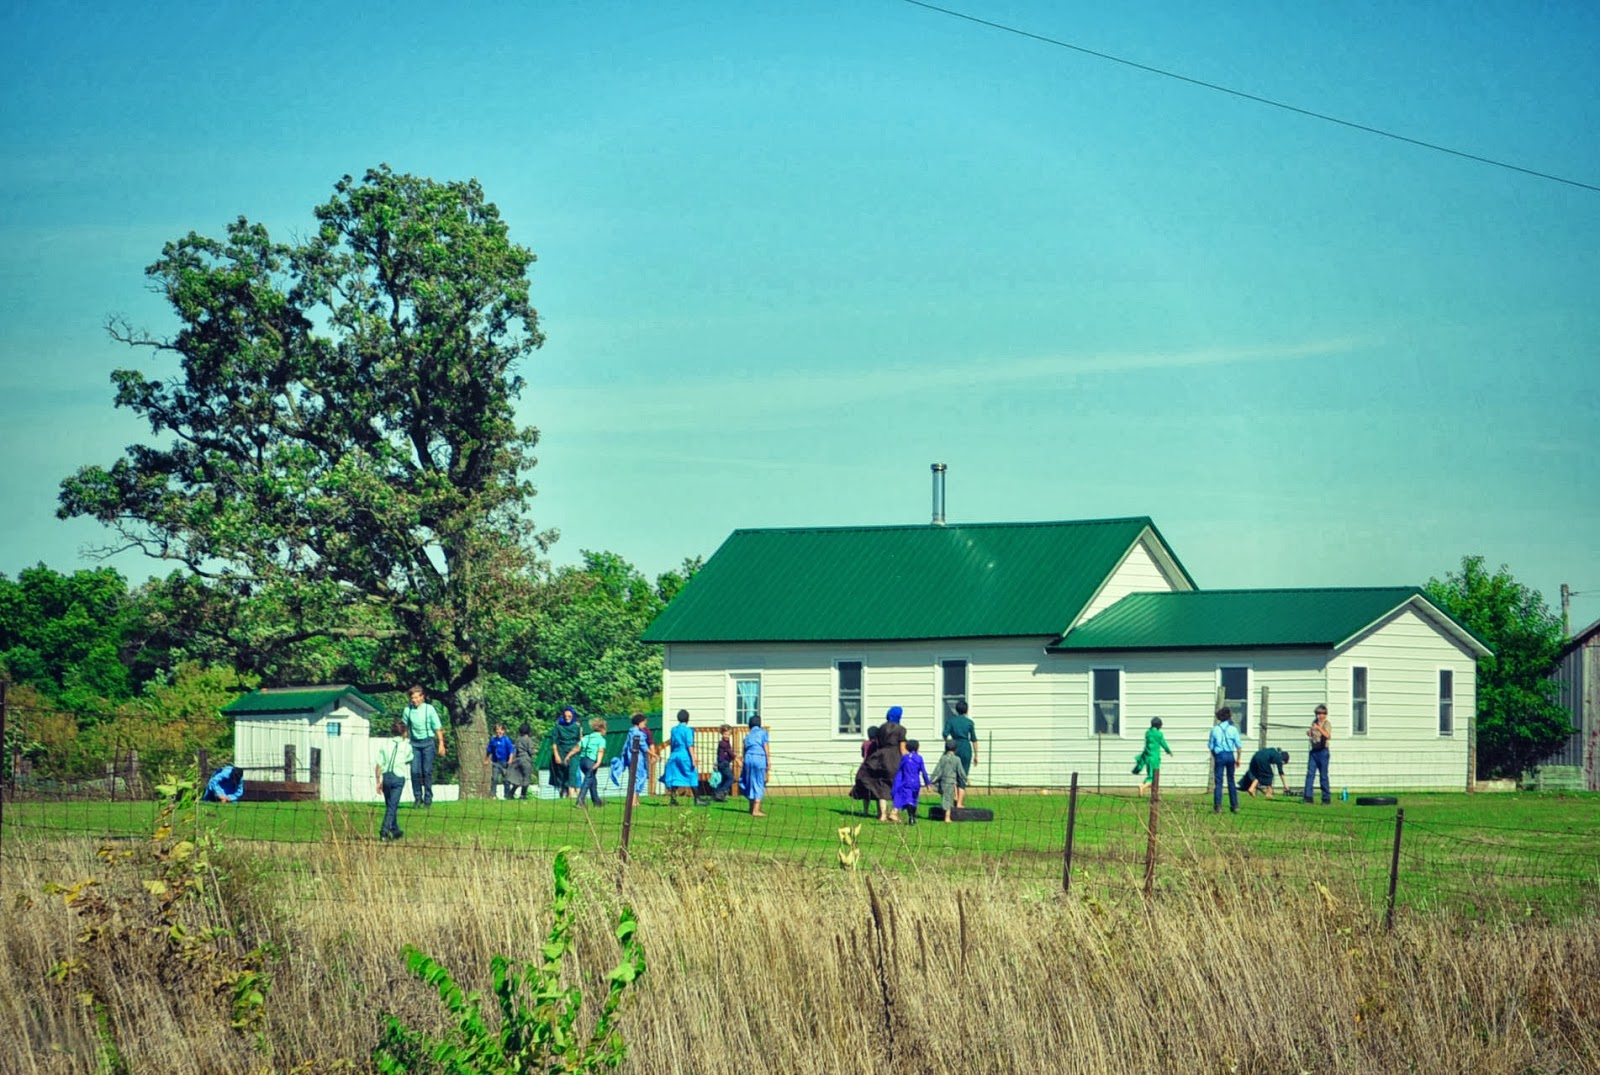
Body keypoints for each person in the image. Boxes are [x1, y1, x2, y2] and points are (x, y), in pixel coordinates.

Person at [851, 706, 907, 822]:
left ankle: (882, 815)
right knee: (899, 784)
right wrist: (908, 758)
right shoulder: (901, 729)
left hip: (881, 757)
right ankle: (894, 812)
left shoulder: (882, 728)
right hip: (894, 757)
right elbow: (902, 748)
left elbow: (878, 744)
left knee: (883, 786)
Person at [403, 684, 446, 808]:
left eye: (417, 697)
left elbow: (437, 727)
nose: (415, 700)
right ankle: (417, 798)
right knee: (415, 771)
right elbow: (405, 728)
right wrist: (402, 742)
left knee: (427, 771)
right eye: (413, 698)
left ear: (422, 697)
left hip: (427, 743)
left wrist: (441, 743)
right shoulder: (408, 710)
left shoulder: (429, 709)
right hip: (414, 744)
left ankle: (428, 798)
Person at [374, 721, 412, 840]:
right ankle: (384, 831)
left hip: (386, 777)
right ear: (405, 732)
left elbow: (379, 764)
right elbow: (409, 758)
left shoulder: (385, 745)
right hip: (398, 777)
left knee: (390, 805)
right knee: (392, 806)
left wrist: (378, 781)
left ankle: (395, 830)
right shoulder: (407, 746)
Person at [661, 709, 700, 805]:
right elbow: (689, 745)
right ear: (688, 719)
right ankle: (697, 799)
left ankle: (673, 799)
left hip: (674, 754)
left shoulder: (674, 730)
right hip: (684, 754)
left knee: (675, 776)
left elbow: (672, 743)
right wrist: (693, 759)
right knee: (692, 775)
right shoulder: (688, 730)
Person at [1208, 707, 1243, 814]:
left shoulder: (1215, 729)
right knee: (1231, 780)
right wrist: (1238, 759)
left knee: (1218, 782)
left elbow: (1211, 746)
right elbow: (1239, 747)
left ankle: (1218, 806)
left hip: (1219, 755)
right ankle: (1235, 805)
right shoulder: (1233, 729)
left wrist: (1215, 755)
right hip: (1230, 755)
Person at [927, 739, 968, 823]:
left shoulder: (943, 758)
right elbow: (960, 771)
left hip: (942, 781)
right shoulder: (957, 759)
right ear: (955, 748)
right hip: (950, 782)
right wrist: (965, 779)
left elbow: (937, 770)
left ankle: (945, 814)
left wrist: (930, 781)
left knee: (945, 798)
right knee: (948, 800)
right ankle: (947, 817)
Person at [890, 739, 930, 824]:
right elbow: (923, 771)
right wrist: (927, 783)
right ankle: (913, 817)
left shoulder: (904, 758)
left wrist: (898, 781)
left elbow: (901, 770)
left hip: (906, 781)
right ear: (917, 748)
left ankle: (911, 817)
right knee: (914, 799)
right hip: (916, 782)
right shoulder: (919, 758)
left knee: (908, 799)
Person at [1133, 717, 1174, 797]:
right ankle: (1143, 787)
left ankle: (1152, 794)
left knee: (1150, 774)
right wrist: (1169, 751)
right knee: (1153, 777)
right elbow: (1163, 744)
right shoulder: (1159, 734)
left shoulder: (1148, 733)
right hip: (1154, 758)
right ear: (1159, 725)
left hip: (1147, 757)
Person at [620, 712, 654, 808]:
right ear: (639, 722)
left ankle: (636, 800)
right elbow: (643, 746)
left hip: (631, 758)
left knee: (634, 778)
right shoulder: (638, 733)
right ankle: (633, 801)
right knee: (639, 778)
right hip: (638, 758)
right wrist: (654, 754)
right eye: (644, 723)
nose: (645, 725)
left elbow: (625, 746)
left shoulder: (630, 732)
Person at [739, 714, 770, 816]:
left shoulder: (748, 736)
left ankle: (751, 807)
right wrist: (768, 761)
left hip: (748, 758)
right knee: (759, 782)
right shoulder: (763, 733)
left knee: (750, 782)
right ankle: (756, 810)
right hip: (759, 757)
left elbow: (744, 750)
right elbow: (765, 746)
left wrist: (744, 762)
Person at [942, 700, 979, 783]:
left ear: (956, 710)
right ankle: (960, 795)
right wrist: (976, 755)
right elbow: (974, 739)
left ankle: (954, 794)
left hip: (954, 747)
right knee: (963, 774)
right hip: (966, 747)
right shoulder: (969, 723)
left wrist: (948, 743)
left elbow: (945, 734)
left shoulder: (951, 721)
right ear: (966, 710)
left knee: (952, 774)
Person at [550, 706, 583, 798]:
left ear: (573, 716)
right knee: (561, 774)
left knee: (572, 771)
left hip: (574, 752)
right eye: (565, 716)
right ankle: (562, 793)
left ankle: (571, 795)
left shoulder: (577, 727)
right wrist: (556, 755)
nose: (567, 718)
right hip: (561, 750)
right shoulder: (558, 727)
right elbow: (554, 742)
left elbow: (580, 740)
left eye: (569, 716)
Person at [1304, 704, 1333, 805]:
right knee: (1310, 774)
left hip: (1323, 751)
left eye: (1320, 714)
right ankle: (1308, 797)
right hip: (1314, 751)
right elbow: (1312, 733)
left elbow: (1328, 736)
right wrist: (1310, 732)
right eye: (1317, 714)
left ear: (1324, 714)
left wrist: (1319, 728)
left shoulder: (1326, 724)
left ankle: (1326, 798)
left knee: (1323, 775)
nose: (1318, 716)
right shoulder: (1314, 722)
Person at [575, 717, 607, 808]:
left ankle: (596, 801)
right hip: (591, 761)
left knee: (593, 780)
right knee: (588, 780)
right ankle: (580, 801)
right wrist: (598, 762)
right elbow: (600, 751)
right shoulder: (601, 739)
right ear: (602, 728)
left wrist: (569, 755)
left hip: (583, 761)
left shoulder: (587, 737)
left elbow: (578, 747)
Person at [484, 722, 516, 799]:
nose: (498, 733)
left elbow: (511, 750)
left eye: (500, 731)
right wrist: (486, 760)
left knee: (506, 779)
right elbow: (489, 751)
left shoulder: (506, 740)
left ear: (503, 731)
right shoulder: (493, 741)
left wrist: (510, 759)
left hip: (505, 762)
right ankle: (493, 795)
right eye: (497, 731)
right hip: (496, 762)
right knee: (494, 778)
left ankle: (507, 795)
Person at [511, 722, 538, 799]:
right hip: (526, 760)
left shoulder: (518, 740)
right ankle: (523, 795)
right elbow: (530, 751)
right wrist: (536, 751)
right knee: (526, 778)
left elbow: (515, 750)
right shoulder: (528, 740)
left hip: (517, 760)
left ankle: (511, 793)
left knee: (518, 778)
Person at [710, 724, 735, 803]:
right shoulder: (722, 743)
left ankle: (716, 795)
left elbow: (723, 754)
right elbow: (729, 752)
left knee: (724, 779)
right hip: (723, 764)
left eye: (728, 734)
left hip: (724, 763)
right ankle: (721, 792)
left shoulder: (727, 743)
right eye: (725, 734)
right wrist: (736, 758)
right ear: (722, 734)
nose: (727, 736)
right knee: (731, 778)